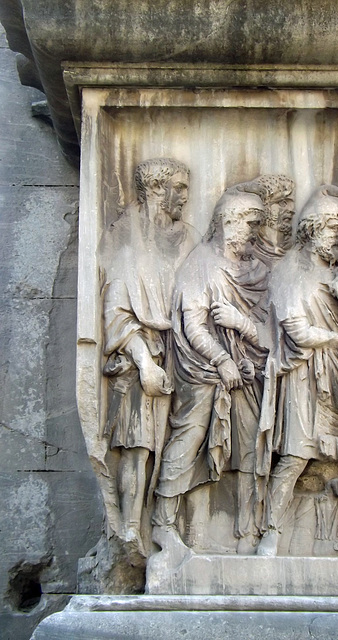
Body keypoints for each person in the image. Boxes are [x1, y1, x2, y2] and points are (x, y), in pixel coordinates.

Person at [256, 184, 338, 557]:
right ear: (311, 229)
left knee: (334, 460)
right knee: (295, 455)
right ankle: (271, 533)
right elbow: (294, 329)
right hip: (303, 375)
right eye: (332, 228)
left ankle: (329, 539)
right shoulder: (291, 270)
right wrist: (337, 341)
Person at [152, 185, 270, 555]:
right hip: (203, 372)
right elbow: (193, 325)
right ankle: (162, 523)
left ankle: (249, 530)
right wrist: (222, 359)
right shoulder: (200, 264)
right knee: (190, 440)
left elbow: (273, 328)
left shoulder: (258, 271)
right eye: (249, 224)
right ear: (227, 222)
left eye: (257, 224)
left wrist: (241, 329)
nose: (254, 232)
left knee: (251, 446)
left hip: (250, 372)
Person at [101, 157, 196, 555]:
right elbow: (116, 314)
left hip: (182, 354)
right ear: (157, 190)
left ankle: (167, 524)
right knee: (138, 447)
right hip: (141, 357)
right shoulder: (128, 243)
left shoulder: (188, 240)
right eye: (179, 187)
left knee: (177, 442)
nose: (186, 197)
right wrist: (144, 362)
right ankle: (128, 531)